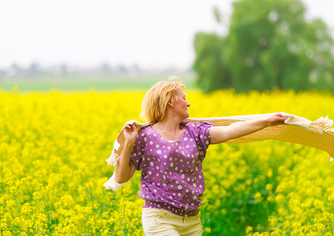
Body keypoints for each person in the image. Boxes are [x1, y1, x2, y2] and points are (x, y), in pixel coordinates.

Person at [114, 76, 287, 236]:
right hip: (160, 219)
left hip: (191, 221)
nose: (188, 104)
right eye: (184, 98)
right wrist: (129, 143)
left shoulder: (195, 132)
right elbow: (121, 178)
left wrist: (267, 121)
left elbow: (229, 131)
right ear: (170, 102)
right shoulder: (145, 137)